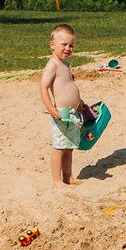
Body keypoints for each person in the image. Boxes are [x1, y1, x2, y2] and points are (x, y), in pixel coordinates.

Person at [38, 23, 92, 185]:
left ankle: (68, 177)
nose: (68, 48)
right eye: (64, 44)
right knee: (59, 148)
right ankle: (57, 180)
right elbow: (43, 87)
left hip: (73, 114)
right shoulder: (52, 65)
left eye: (71, 45)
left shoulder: (66, 65)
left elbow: (69, 88)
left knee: (69, 148)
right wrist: (50, 108)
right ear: (52, 45)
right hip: (61, 113)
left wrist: (80, 104)